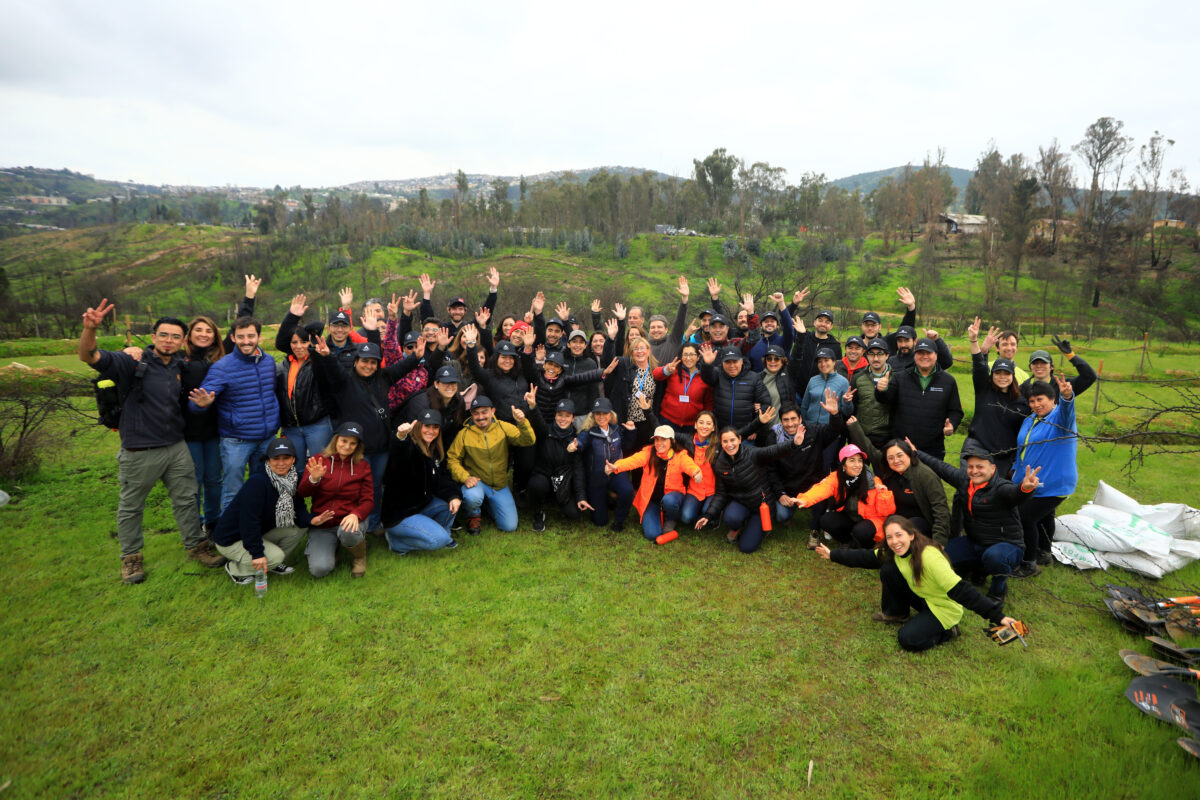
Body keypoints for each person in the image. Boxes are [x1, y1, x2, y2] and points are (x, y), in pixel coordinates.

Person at [79, 299, 224, 583]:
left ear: (183, 341)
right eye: (164, 335)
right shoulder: (131, 362)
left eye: (175, 337)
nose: (169, 341)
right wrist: (90, 330)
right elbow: (89, 356)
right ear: (154, 337)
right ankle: (131, 558)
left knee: (185, 499)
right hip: (139, 450)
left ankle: (196, 547)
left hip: (175, 446)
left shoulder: (181, 365)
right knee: (132, 506)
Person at [816, 516, 1022, 653]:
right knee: (888, 568)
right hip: (923, 597)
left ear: (911, 535)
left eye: (899, 535)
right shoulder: (893, 552)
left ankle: (949, 632)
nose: (895, 541)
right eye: (889, 537)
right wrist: (832, 554)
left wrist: (999, 617)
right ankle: (897, 613)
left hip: (943, 608)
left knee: (908, 639)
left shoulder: (929, 556)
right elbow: (865, 557)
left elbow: (963, 591)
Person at [310, 338, 424, 535]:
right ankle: (350, 523)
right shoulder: (346, 381)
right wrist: (328, 356)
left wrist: (416, 357)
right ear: (355, 361)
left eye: (373, 362)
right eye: (364, 361)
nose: (368, 366)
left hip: (380, 448)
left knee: (375, 487)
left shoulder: (383, 378)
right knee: (353, 488)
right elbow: (334, 370)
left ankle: (373, 523)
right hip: (356, 448)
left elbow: (400, 368)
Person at [180, 274, 259, 536]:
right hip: (188, 428)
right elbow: (157, 351)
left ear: (215, 335)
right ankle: (195, 529)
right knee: (193, 482)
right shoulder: (180, 359)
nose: (203, 334)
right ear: (189, 335)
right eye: (198, 330)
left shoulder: (221, 356)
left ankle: (212, 522)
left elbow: (242, 330)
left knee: (214, 480)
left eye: (208, 330)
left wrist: (249, 297)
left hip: (216, 428)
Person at [915, 446, 1041, 606]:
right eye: (971, 467)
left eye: (980, 466)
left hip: (1007, 545)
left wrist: (1025, 489)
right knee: (943, 557)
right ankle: (978, 569)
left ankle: (998, 590)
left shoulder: (1001, 487)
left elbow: (1015, 494)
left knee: (994, 558)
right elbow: (942, 467)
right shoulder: (965, 482)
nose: (975, 471)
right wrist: (916, 452)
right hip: (975, 541)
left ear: (993, 468)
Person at [187, 315, 280, 511]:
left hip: (266, 438)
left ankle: (257, 527)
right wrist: (202, 404)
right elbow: (196, 403)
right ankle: (229, 536)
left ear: (259, 338)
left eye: (251, 336)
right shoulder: (222, 367)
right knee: (233, 490)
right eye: (241, 336)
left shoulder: (268, 361)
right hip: (237, 441)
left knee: (262, 485)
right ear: (233, 338)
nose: (246, 341)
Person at [212, 437, 334, 583]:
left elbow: (299, 509)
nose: (281, 463)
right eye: (276, 458)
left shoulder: (293, 478)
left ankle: (271, 564)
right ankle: (236, 568)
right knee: (275, 557)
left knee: (299, 528)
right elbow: (249, 522)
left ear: (293, 459)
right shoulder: (257, 482)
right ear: (268, 460)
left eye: (286, 458)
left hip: (258, 532)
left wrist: (311, 520)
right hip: (231, 539)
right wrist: (257, 554)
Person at [694, 425, 802, 554]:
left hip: (761, 505)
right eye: (725, 441)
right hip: (741, 502)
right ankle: (737, 527)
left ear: (739, 439)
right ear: (721, 443)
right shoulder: (720, 464)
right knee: (731, 518)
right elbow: (721, 494)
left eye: (732, 440)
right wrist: (709, 514)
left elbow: (773, 451)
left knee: (746, 547)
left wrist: (794, 443)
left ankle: (756, 526)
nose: (729, 445)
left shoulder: (752, 453)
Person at [1011, 374, 1078, 577]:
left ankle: (1028, 563)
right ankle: (1044, 552)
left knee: (1025, 517)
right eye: (1032, 401)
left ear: (1052, 400)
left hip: (1054, 482)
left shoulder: (1059, 419)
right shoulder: (1031, 419)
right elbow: (1023, 447)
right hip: (1034, 480)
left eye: (1040, 399)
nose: (1036, 404)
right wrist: (1016, 468)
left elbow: (1067, 410)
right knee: (1045, 516)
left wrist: (1068, 397)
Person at [845, 422, 950, 544]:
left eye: (900, 455)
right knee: (861, 531)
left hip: (919, 522)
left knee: (904, 530)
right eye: (891, 458)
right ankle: (877, 549)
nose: (896, 461)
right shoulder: (889, 468)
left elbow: (941, 511)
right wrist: (854, 426)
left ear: (909, 454)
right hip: (892, 519)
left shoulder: (925, 476)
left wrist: (939, 543)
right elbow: (870, 450)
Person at [447, 395, 536, 534]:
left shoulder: (503, 427)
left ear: (492, 411)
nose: (480, 416)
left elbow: (528, 441)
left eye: (484, 412)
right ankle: (473, 516)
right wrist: (465, 477)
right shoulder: (463, 434)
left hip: (499, 485)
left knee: (509, 526)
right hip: (478, 483)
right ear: (471, 414)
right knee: (472, 497)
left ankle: (487, 505)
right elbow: (452, 459)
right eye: (476, 413)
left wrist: (522, 422)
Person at [297, 421, 374, 578]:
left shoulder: (363, 466)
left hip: (350, 518)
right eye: (344, 441)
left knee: (348, 531)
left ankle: (359, 557)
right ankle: (333, 546)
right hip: (324, 522)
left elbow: (368, 500)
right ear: (336, 439)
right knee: (319, 570)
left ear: (358, 446)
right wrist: (313, 479)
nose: (347, 446)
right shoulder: (319, 460)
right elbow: (303, 493)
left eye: (353, 443)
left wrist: (356, 514)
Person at [380, 410, 463, 555]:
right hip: (400, 515)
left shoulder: (434, 450)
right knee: (438, 540)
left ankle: (441, 533)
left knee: (449, 505)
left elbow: (441, 480)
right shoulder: (410, 446)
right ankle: (397, 543)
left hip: (420, 507)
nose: (431, 431)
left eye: (435, 427)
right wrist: (401, 436)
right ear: (419, 427)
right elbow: (399, 456)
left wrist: (454, 496)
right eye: (427, 426)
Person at [608, 425, 704, 542]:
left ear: (672, 441)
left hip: (672, 497)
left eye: (663, 439)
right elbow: (634, 460)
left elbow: (690, 466)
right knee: (652, 534)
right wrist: (616, 466)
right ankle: (657, 514)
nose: (659, 443)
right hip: (652, 500)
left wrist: (696, 473)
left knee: (669, 501)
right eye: (657, 439)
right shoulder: (648, 452)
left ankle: (670, 519)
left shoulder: (680, 455)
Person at [874, 337, 962, 460]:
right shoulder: (900, 377)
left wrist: (952, 424)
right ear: (915, 356)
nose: (924, 356)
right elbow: (885, 400)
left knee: (930, 479)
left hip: (933, 448)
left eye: (928, 353)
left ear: (936, 355)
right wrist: (881, 390)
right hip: (901, 446)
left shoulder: (948, 381)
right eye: (920, 353)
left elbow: (955, 411)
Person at [793, 444, 895, 549]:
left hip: (871, 520)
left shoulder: (873, 481)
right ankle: (849, 543)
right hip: (851, 516)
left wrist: (884, 495)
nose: (857, 465)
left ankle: (871, 548)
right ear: (843, 465)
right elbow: (822, 488)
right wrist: (805, 499)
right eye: (852, 460)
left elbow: (887, 512)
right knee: (826, 520)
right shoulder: (837, 477)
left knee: (861, 531)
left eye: (860, 460)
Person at [965, 318, 1029, 478]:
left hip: (1004, 455)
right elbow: (979, 367)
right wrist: (974, 341)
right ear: (991, 375)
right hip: (978, 447)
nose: (1002, 377)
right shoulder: (984, 390)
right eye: (997, 373)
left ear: (1013, 376)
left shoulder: (1021, 402)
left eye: (1006, 373)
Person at [274, 293, 334, 465]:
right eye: (294, 343)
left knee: (321, 468)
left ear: (310, 343)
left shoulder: (317, 361)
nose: (299, 346)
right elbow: (280, 342)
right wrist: (292, 317)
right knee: (296, 469)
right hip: (291, 427)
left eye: (303, 342)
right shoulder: (283, 366)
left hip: (317, 426)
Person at [573, 398, 637, 531]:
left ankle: (619, 520)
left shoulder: (617, 429)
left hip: (616, 473)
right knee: (600, 521)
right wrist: (576, 445)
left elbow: (627, 446)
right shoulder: (589, 432)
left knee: (627, 491)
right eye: (598, 414)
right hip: (597, 478)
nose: (601, 417)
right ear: (593, 415)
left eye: (605, 413)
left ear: (611, 414)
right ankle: (607, 499)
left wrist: (631, 432)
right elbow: (581, 442)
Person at [525, 398, 585, 531]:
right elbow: (537, 419)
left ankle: (555, 498)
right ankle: (538, 512)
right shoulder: (545, 430)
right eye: (560, 415)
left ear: (573, 418)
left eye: (567, 416)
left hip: (562, 481)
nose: (563, 419)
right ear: (555, 415)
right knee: (537, 485)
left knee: (574, 513)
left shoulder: (575, 440)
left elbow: (578, 470)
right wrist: (533, 406)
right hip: (543, 474)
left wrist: (581, 497)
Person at [699, 344, 770, 435]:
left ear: (741, 361)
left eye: (735, 361)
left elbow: (765, 403)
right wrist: (707, 365)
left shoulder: (753, 378)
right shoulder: (718, 374)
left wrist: (754, 429)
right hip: (721, 433)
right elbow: (707, 377)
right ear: (722, 363)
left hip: (746, 434)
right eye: (728, 362)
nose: (732, 365)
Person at [653, 342, 712, 436]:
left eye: (692, 354)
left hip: (692, 425)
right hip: (668, 420)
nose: (688, 358)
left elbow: (708, 402)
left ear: (698, 357)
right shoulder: (674, 369)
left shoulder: (704, 375)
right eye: (685, 354)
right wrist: (666, 370)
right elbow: (656, 374)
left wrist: (706, 420)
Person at [847, 338, 893, 448]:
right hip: (862, 434)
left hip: (886, 437)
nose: (875, 358)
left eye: (880, 354)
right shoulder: (858, 378)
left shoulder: (896, 378)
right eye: (871, 354)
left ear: (887, 355)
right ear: (866, 356)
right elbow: (854, 407)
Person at [1019, 338, 1096, 402]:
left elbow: (1089, 376)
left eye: (1044, 363)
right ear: (1030, 367)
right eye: (1035, 363)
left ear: (1051, 367)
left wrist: (1071, 356)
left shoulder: (1063, 386)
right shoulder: (1023, 388)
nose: (1039, 366)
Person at [678, 411, 719, 528]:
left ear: (713, 427)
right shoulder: (688, 440)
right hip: (694, 490)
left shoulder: (718, 443)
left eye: (708, 423)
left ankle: (710, 514)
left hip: (712, 490)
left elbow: (737, 435)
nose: (704, 426)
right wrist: (648, 411)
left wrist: (759, 422)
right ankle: (701, 513)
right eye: (701, 422)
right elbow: (667, 433)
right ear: (695, 425)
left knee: (708, 511)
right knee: (686, 517)